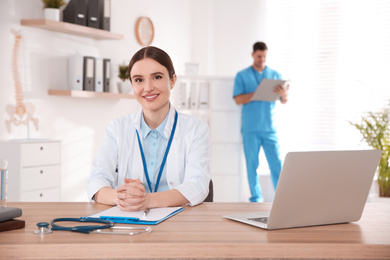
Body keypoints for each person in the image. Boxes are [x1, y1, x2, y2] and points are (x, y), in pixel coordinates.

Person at [87, 46, 210, 211]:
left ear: (172, 80)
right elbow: (97, 180)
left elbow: (198, 185)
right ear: (132, 84)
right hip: (130, 221)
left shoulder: (196, 129)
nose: (147, 87)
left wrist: (147, 200)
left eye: (157, 77)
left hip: (178, 223)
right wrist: (121, 197)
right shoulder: (117, 129)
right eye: (139, 80)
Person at [233, 42, 289, 202]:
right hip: (250, 129)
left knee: (277, 164)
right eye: (259, 56)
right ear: (253, 55)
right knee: (252, 165)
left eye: (264, 56)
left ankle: (282, 197)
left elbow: (284, 100)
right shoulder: (242, 75)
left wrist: (284, 94)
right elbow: (238, 99)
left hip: (269, 128)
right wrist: (256, 93)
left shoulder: (275, 75)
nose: (262, 59)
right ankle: (256, 198)